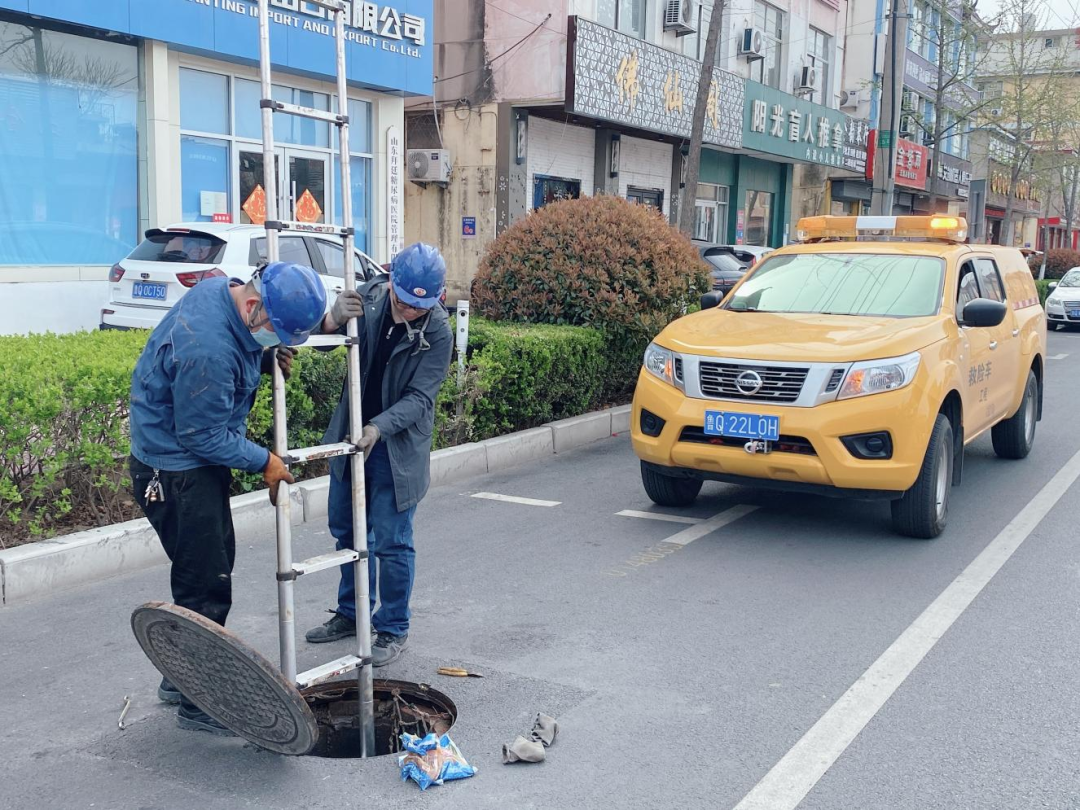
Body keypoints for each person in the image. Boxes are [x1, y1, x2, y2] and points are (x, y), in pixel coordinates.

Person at [129, 261, 356, 735]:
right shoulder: (208, 349)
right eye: (275, 334)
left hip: (184, 462)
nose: (279, 344)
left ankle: (178, 678)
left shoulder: (224, 294)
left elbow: (237, 360)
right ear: (253, 307)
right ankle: (197, 703)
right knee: (205, 586)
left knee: (203, 572)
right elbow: (203, 434)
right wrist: (266, 462)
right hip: (176, 471)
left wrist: (265, 356)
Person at [304, 243, 452, 667]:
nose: (409, 312)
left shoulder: (438, 330)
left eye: (418, 308)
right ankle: (351, 614)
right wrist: (332, 318)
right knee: (347, 532)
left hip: (397, 449)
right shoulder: (367, 298)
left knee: (393, 542)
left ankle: (392, 627)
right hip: (350, 438)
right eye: (403, 302)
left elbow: (422, 398)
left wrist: (379, 427)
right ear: (392, 285)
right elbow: (318, 343)